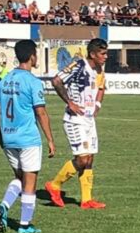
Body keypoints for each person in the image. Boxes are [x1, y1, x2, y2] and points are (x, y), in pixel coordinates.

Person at [0, 40, 56, 233]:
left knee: (20, 178)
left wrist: (0, 137)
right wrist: (50, 140)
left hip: (8, 138)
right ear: (32, 57)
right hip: (28, 138)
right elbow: (41, 113)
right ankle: (24, 225)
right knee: (30, 182)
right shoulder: (33, 82)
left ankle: (4, 205)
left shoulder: (4, 80)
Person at [44, 38, 108, 210]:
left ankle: (86, 200)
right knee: (82, 159)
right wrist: (70, 102)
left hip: (88, 120)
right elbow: (56, 80)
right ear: (93, 54)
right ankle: (55, 185)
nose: (106, 56)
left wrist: (98, 104)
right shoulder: (78, 66)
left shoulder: (100, 69)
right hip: (74, 120)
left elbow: (101, 88)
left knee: (89, 159)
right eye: (103, 53)